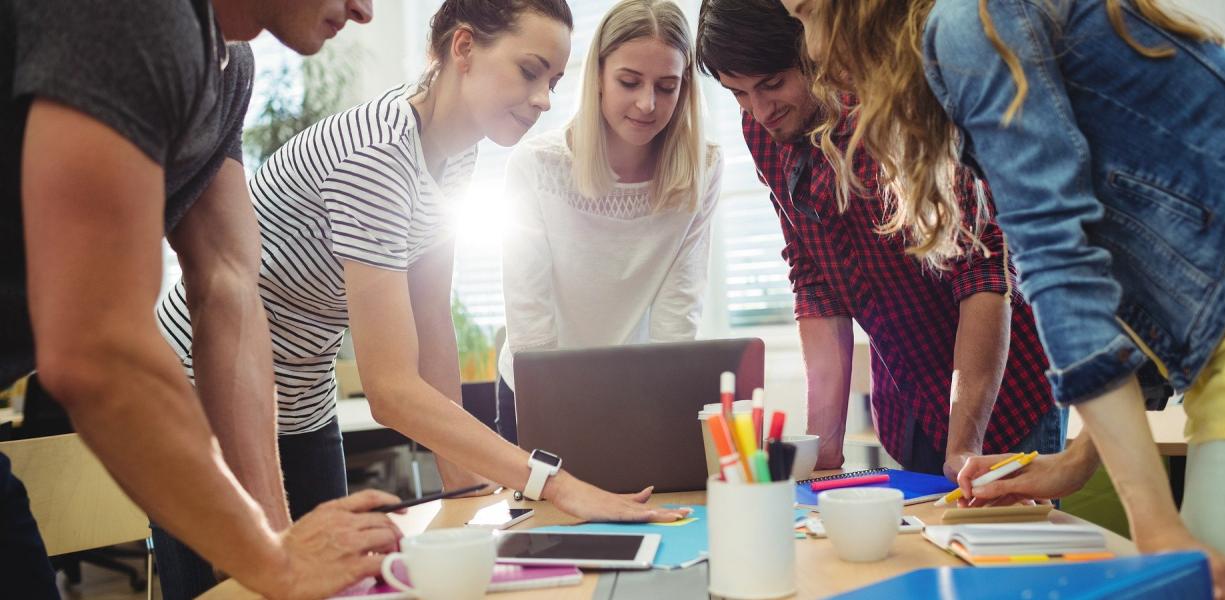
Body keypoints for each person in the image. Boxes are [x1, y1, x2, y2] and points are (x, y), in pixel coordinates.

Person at [154, 0, 689, 591]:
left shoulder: (457, 152)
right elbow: (391, 390)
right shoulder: (378, 154)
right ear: (463, 48)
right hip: (203, 385)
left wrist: (466, 492)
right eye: (530, 71)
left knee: (335, 584)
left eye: (554, 82)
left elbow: (431, 319)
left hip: (303, 394)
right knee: (238, 590)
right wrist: (556, 483)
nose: (543, 99)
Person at [784, 0, 1225, 597]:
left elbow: (1062, 267)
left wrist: (1155, 529)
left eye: (809, 12)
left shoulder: (971, 25)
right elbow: (1134, 271)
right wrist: (1075, 463)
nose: (810, 47)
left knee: (1204, 585)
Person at [1, 1, 406, 599]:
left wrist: (279, 548)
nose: (365, 10)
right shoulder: (140, 16)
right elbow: (97, 351)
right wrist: (276, 563)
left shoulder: (227, 66)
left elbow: (228, 287)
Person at [693, 0, 1059, 479]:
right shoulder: (764, 132)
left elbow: (983, 271)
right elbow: (814, 280)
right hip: (907, 401)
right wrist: (823, 449)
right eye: (738, 93)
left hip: (1003, 396)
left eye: (772, 84)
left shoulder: (898, 102)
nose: (759, 112)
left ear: (814, 45)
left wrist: (964, 444)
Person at [497, 0, 723, 443]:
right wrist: (556, 411)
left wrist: (659, 411)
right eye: (629, 81)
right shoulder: (537, 165)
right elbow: (530, 318)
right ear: (598, 77)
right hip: (537, 385)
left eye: (667, 86)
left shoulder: (703, 167)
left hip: (637, 387)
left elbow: (679, 313)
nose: (647, 103)